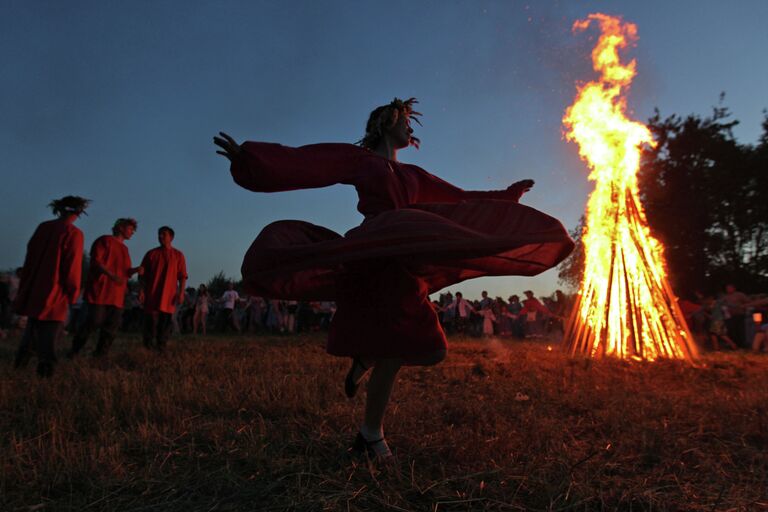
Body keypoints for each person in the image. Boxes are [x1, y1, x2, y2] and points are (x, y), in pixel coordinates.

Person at [214, 97, 573, 458]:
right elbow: (307, 162)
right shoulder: (361, 161)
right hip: (376, 254)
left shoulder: (414, 176)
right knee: (417, 343)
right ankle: (370, 433)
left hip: (405, 260)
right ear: (386, 123)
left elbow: (460, 199)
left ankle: (368, 363)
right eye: (404, 120)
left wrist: (508, 196)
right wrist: (250, 158)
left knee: (426, 349)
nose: (410, 127)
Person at [13, 196, 88, 377]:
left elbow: (29, 257)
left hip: (35, 288)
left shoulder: (43, 228)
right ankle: (45, 372)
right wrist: (72, 291)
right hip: (55, 291)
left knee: (32, 328)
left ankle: (19, 367)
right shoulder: (73, 233)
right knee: (50, 334)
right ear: (78, 212)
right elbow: (71, 266)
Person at [69, 218, 142, 358]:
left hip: (117, 294)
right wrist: (111, 275)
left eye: (133, 230)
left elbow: (125, 271)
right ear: (120, 228)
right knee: (94, 321)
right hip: (100, 290)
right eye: (130, 229)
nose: (132, 232)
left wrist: (135, 270)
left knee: (112, 326)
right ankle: (75, 349)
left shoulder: (124, 249)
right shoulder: (104, 241)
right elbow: (97, 261)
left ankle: (100, 354)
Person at [139, 226, 187, 352]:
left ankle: (161, 345)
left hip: (168, 295)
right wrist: (142, 290)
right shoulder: (151, 254)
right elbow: (142, 275)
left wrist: (181, 292)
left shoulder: (178, 255)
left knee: (165, 321)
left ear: (171, 237)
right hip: (152, 293)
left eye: (164, 234)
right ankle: (147, 346)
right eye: (159, 234)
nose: (160, 236)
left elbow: (182, 276)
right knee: (150, 321)